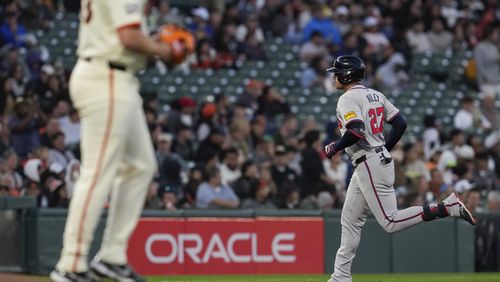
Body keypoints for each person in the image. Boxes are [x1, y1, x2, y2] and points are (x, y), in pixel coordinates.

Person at [50, 0, 187, 281]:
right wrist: (164, 48)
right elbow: (129, 37)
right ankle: (70, 263)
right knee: (97, 172)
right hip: (106, 78)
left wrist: (152, 45)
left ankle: (113, 256)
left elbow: (125, 37)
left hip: (116, 77)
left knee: (141, 165)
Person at [323, 55, 476, 282]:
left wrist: (334, 146)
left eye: (337, 72)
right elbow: (400, 122)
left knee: (390, 221)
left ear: (346, 75)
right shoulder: (376, 94)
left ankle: (447, 207)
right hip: (373, 159)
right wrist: (384, 148)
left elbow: (355, 129)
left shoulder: (347, 99)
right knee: (350, 221)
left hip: (369, 161)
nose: (334, 76)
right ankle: (340, 277)